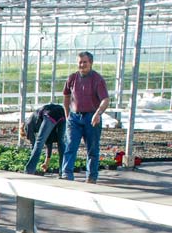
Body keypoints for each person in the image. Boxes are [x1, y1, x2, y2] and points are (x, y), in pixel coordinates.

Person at [61, 51, 110, 184]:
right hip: (75, 118)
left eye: (85, 62)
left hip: (91, 118)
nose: (82, 65)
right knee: (70, 146)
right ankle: (67, 175)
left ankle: (91, 178)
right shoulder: (72, 78)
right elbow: (66, 96)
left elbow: (105, 99)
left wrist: (98, 113)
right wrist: (67, 113)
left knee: (92, 149)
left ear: (91, 63)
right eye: (80, 62)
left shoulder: (97, 79)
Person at [22, 103, 66, 175]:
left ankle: (29, 170)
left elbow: (34, 145)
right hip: (61, 111)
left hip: (49, 113)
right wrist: (46, 162)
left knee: (39, 143)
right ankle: (63, 172)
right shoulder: (36, 122)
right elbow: (49, 141)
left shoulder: (28, 125)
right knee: (61, 142)